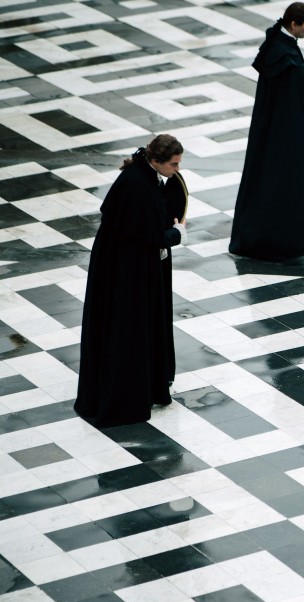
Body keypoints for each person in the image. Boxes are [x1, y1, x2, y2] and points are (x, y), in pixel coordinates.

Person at [75, 134, 188, 427]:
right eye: (174, 164)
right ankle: (125, 394)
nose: (177, 169)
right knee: (127, 326)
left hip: (123, 263)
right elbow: (149, 236)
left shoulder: (142, 176)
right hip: (126, 270)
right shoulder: (138, 186)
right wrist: (177, 234)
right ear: (156, 161)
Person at [230, 2, 304, 260]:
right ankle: (282, 242)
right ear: (294, 24)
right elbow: (299, 95)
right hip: (285, 136)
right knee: (288, 185)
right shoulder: (287, 57)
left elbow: (295, 93)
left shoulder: (278, 45)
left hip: (271, 131)